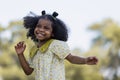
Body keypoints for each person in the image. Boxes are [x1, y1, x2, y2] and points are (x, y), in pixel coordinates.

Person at [14, 10, 98, 80]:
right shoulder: (34, 50)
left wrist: (85, 60)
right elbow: (28, 71)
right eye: (38, 26)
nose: (41, 30)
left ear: (53, 33)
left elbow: (71, 58)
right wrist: (20, 54)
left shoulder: (56, 44)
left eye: (46, 28)